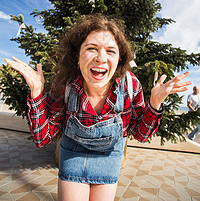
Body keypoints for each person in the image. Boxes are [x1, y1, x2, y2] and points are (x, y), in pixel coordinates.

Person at [4, 14, 192, 201]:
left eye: (111, 51)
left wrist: (155, 103)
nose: (101, 58)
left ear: (119, 59)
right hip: (73, 154)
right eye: (91, 48)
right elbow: (41, 138)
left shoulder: (129, 85)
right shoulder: (66, 85)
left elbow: (142, 135)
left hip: (109, 157)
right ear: (77, 56)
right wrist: (37, 91)